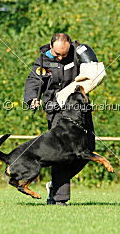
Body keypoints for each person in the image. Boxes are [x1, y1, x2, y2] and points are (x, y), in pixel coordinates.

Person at [24, 33, 99, 205]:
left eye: (64, 54)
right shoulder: (44, 60)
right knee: (61, 154)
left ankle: (55, 184)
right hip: (56, 110)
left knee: (88, 148)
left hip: (79, 109)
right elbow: (34, 81)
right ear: (51, 47)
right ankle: (59, 198)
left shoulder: (78, 53)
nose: (60, 57)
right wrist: (32, 99)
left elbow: (93, 71)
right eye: (57, 54)